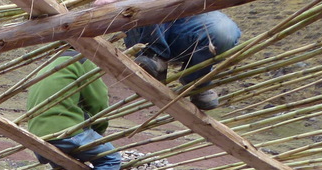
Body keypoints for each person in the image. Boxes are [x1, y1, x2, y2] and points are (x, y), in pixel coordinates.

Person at [26, 51, 121, 170]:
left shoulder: (46, 67)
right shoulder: (82, 60)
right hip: (65, 130)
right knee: (111, 158)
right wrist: (99, 133)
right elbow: (99, 102)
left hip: (40, 137)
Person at [95, 1, 241, 110]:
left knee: (224, 31)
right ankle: (154, 57)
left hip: (189, 19)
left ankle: (197, 80)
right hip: (144, 23)